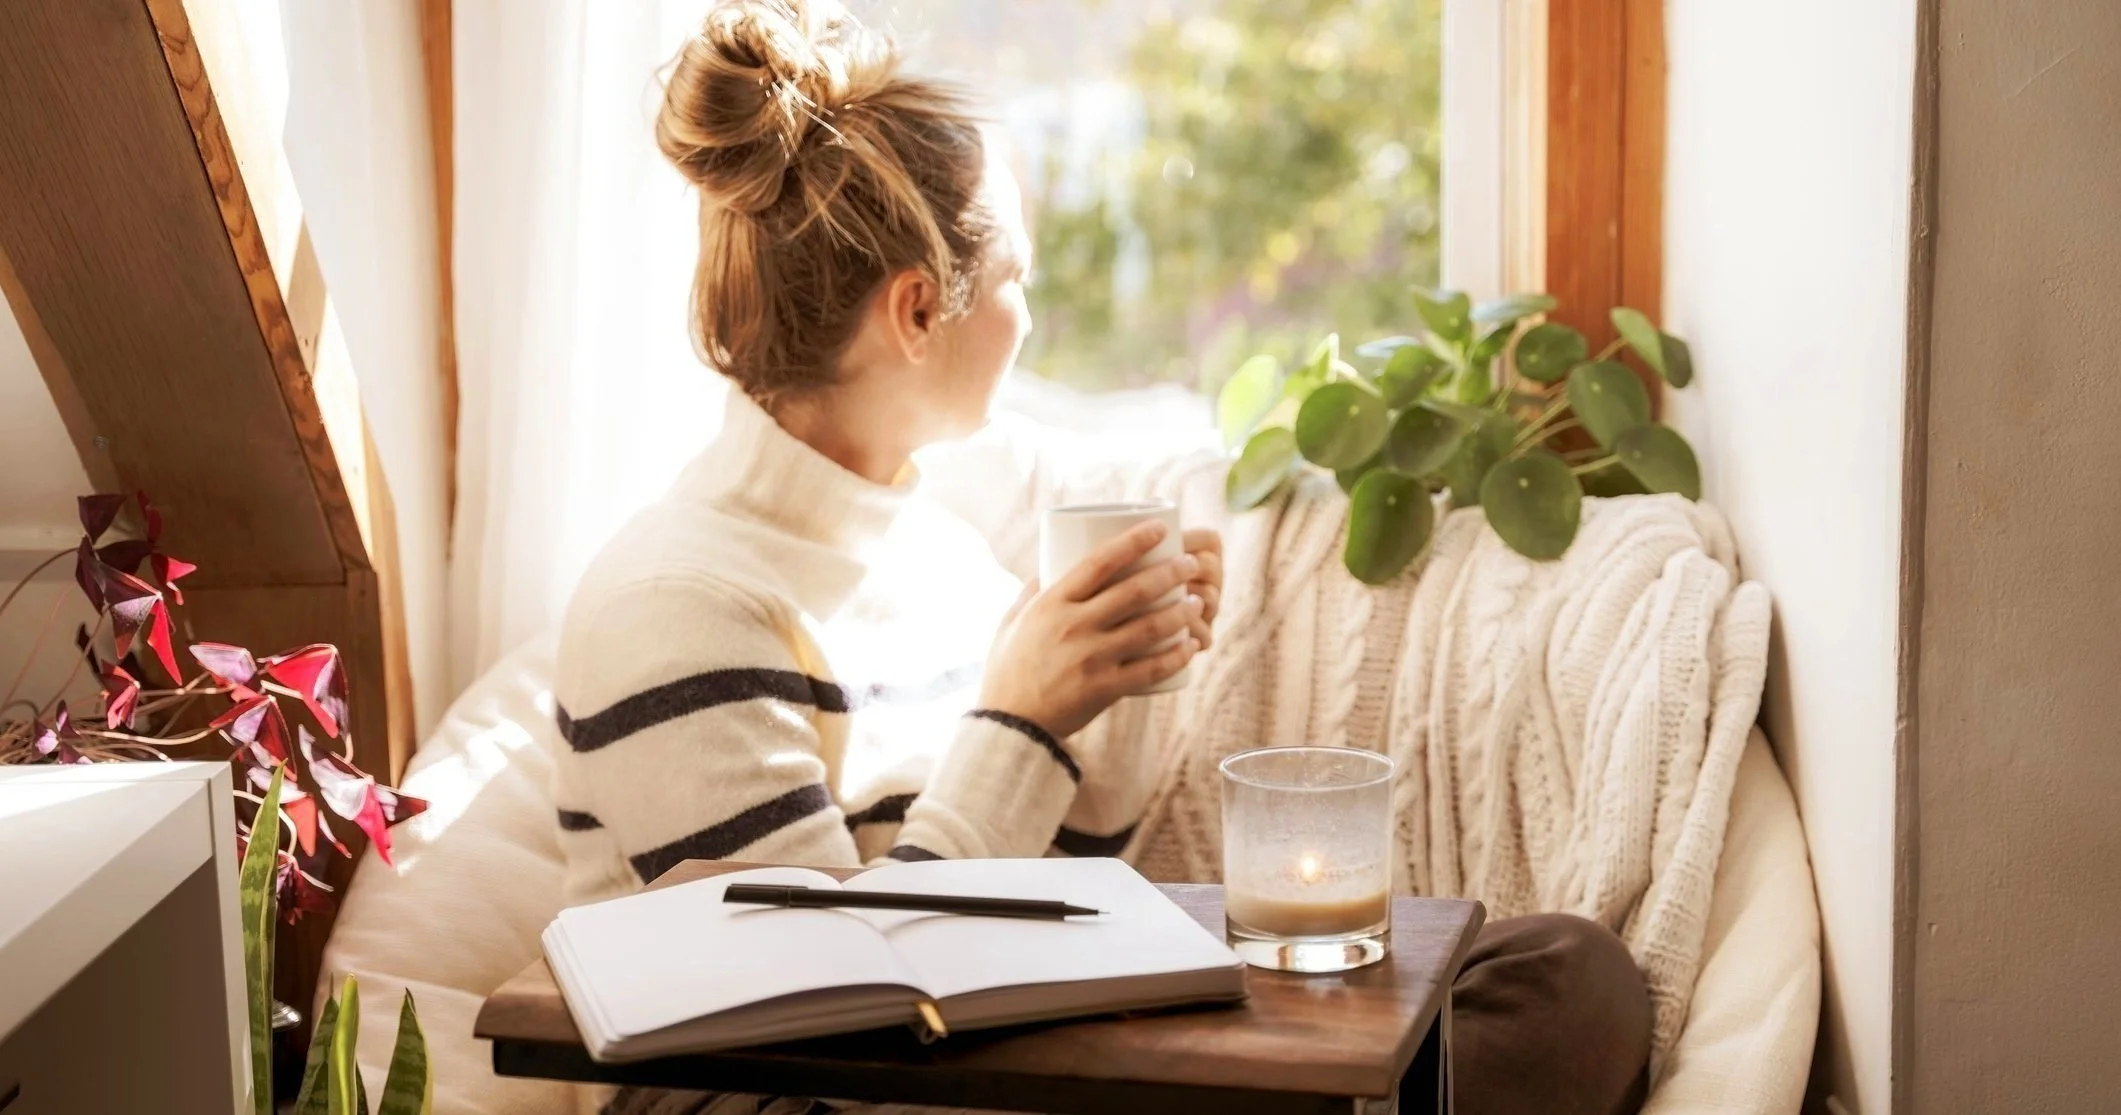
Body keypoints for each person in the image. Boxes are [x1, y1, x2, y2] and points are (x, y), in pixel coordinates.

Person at [556, 2, 1652, 1112]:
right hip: (844, 1081)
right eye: (1018, 278)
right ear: (919, 311)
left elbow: (1058, 868)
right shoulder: (679, 604)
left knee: (1564, 978)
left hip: (1001, 1036)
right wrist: (1021, 719)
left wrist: (1116, 681)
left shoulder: (931, 532)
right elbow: (831, 1016)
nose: (1030, 318)